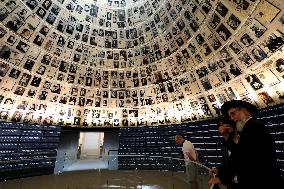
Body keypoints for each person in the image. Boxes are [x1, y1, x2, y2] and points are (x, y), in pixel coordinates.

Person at [209, 100, 284, 189]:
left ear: (243, 110)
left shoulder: (254, 126)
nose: (232, 118)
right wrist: (221, 171)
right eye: (230, 116)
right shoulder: (249, 128)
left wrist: (223, 178)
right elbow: (238, 154)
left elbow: (242, 155)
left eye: (233, 113)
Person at [209, 117, 238, 189]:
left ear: (235, 129)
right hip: (231, 184)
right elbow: (227, 164)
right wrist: (219, 170)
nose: (224, 129)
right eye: (222, 126)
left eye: (227, 126)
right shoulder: (225, 146)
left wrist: (222, 179)